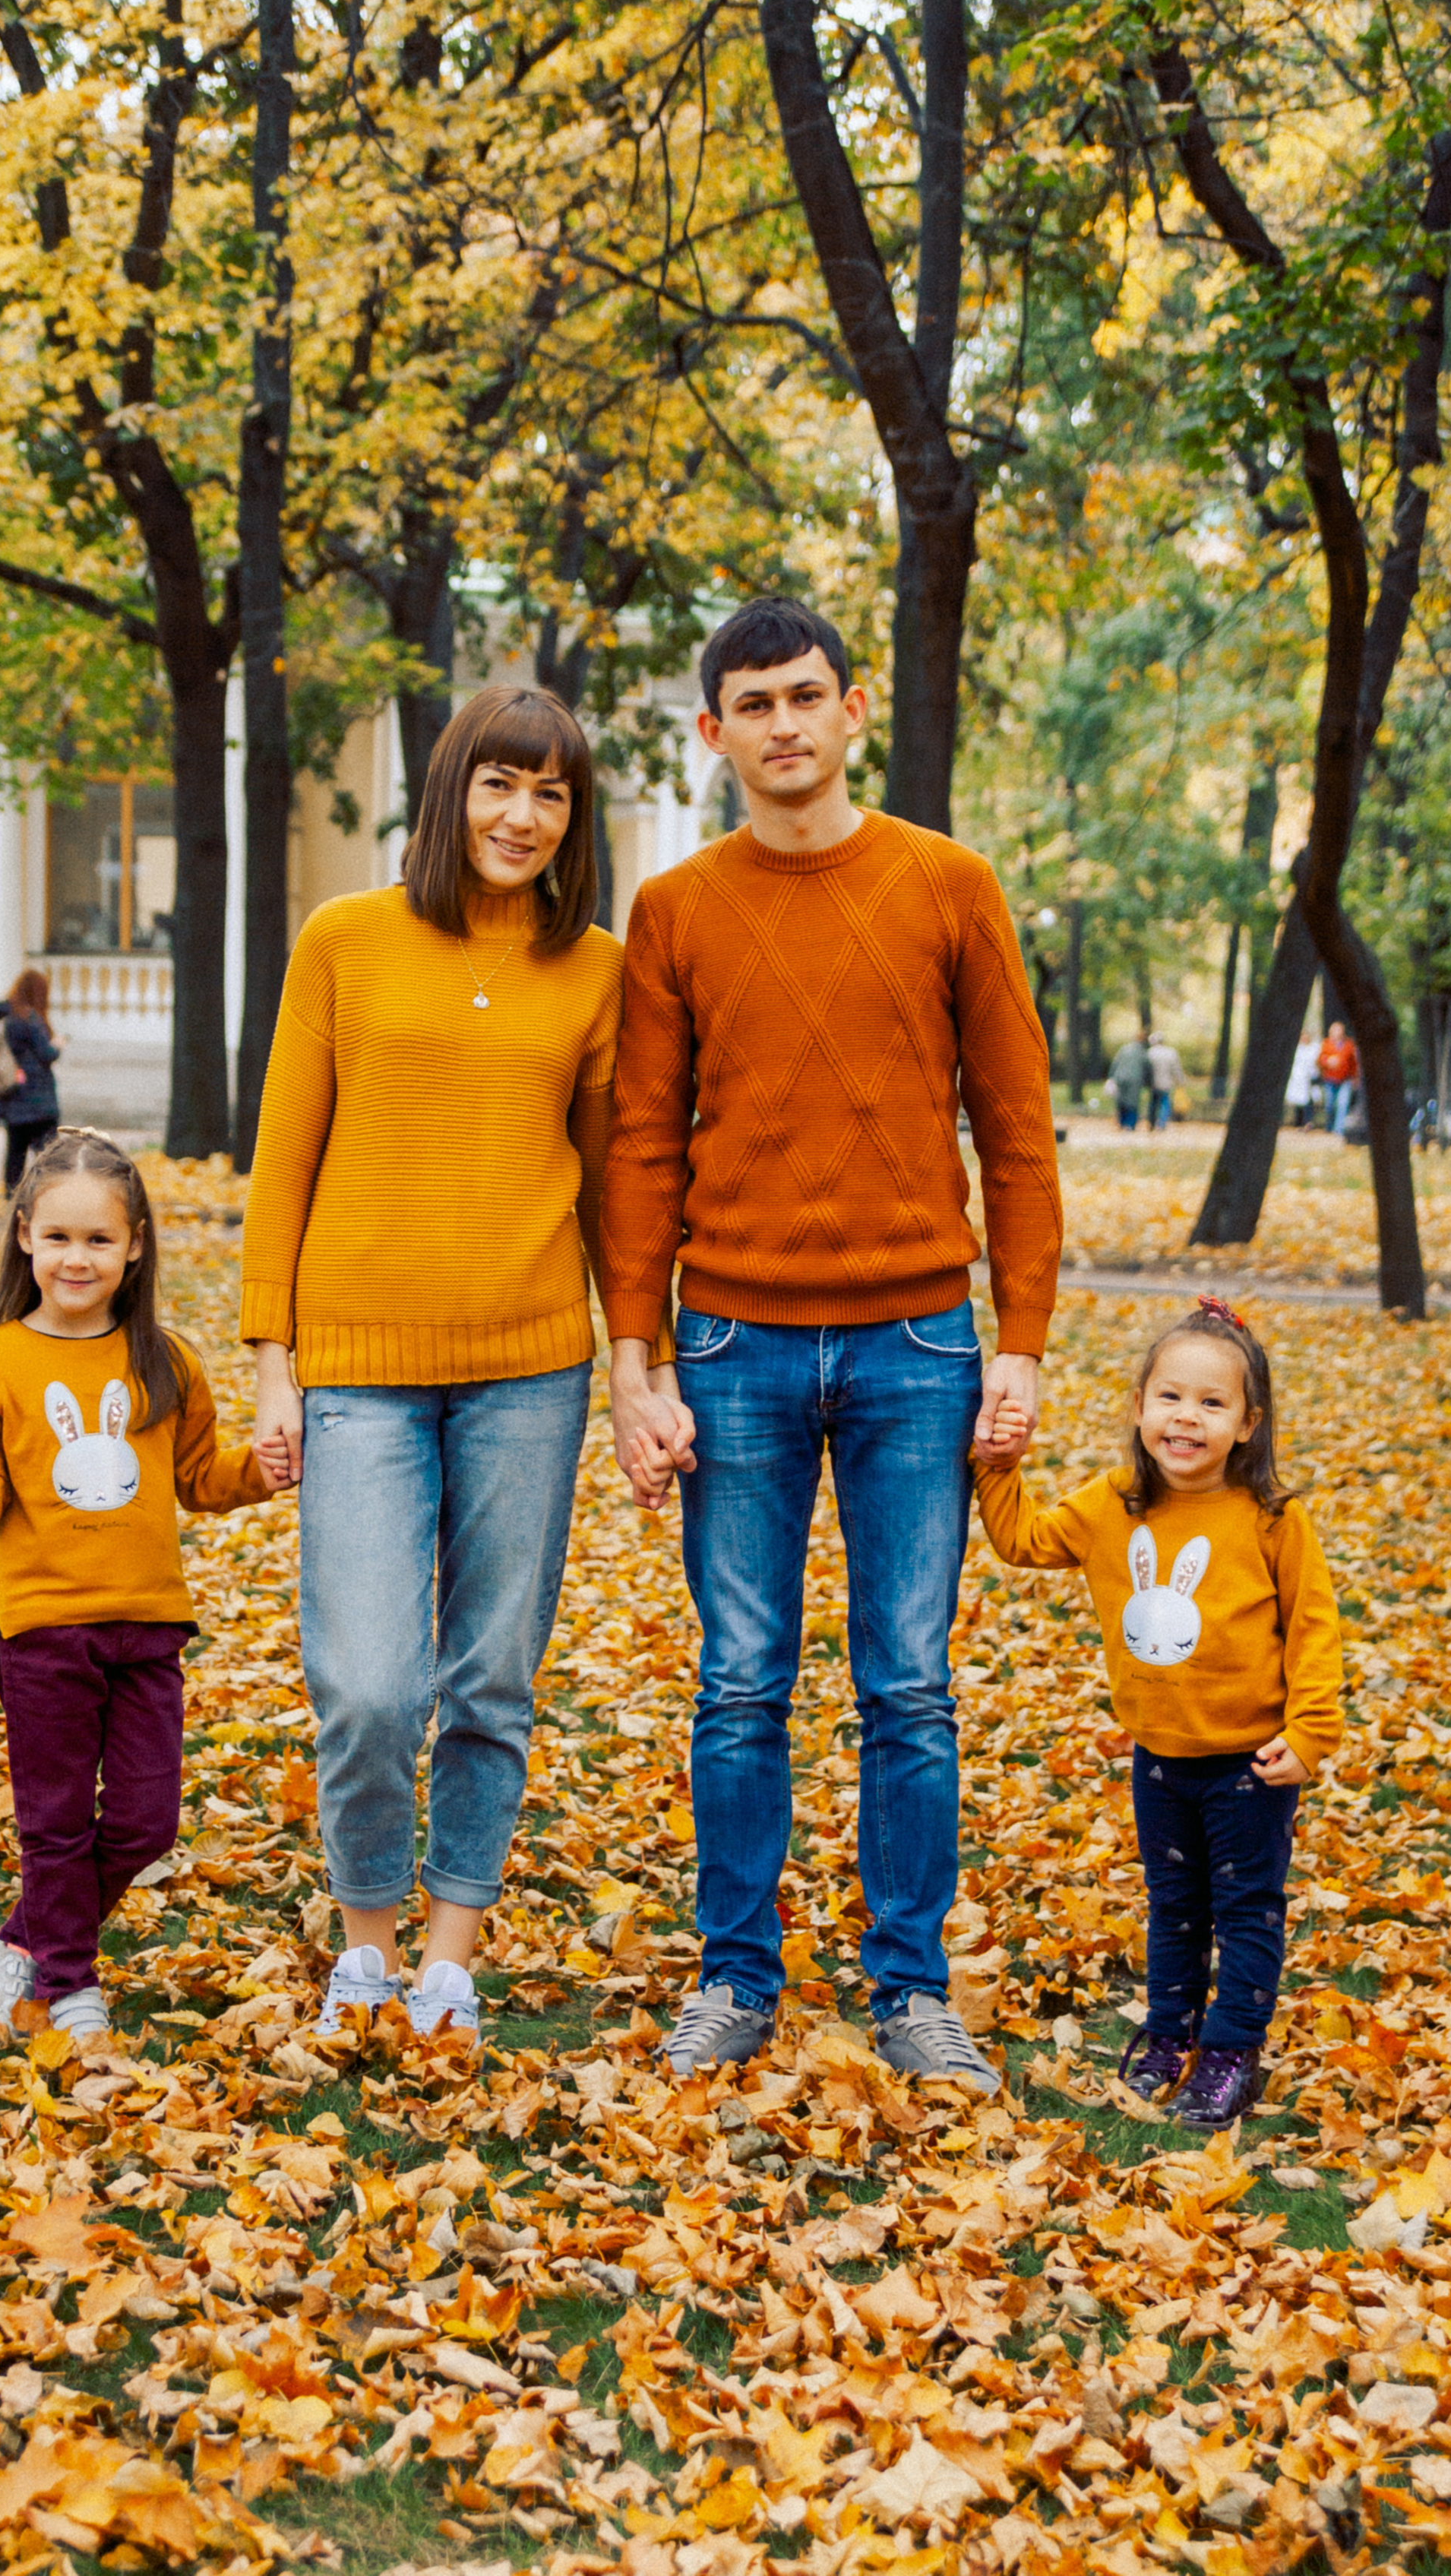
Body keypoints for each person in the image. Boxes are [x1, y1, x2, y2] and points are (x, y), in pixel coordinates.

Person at [602, 597, 1061, 2088]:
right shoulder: (673, 913)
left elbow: (1016, 1130)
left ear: (851, 708)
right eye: (754, 703)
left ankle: (909, 1988)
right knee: (738, 1681)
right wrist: (636, 1359)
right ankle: (734, 1978)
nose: (784, 725)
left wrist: (1022, 1341)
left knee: (905, 1685)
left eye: (807, 696)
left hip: (917, 1346)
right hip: (730, 1341)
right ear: (712, 731)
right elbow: (639, 1150)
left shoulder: (948, 887)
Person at [242, 686, 638, 2047]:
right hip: (357, 1365)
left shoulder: (595, 969)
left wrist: (636, 1357)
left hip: (531, 1367)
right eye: (498, 784)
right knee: (365, 1683)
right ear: (450, 788)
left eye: (551, 795)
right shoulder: (344, 939)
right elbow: (284, 1154)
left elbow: (611, 1188)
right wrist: (269, 1357)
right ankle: (366, 1940)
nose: (522, 817)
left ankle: (453, 1956)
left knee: (490, 1677)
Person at [0, 1131, 273, 2045]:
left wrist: (260, 1472)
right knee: (58, 1825)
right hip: (41, 1632)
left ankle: (22, 1944)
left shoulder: (165, 1363)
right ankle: (69, 1984)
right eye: (60, 1237)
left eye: (99, 1240)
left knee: (146, 1822)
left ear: (136, 1245)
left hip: (148, 1626)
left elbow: (197, 1479)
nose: (78, 1258)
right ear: (25, 1235)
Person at [973, 1295, 1342, 2125]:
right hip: (1159, 1758)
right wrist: (996, 1466)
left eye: (1212, 1404)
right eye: (1170, 1397)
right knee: (1174, 1905)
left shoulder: (1273, 1520)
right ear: (1138, 1407)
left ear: (1248, 1424)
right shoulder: (1113, 1505)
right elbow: (1024, 1541)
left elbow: (1313, 1628)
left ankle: (1231, 2049)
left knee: (1246, 1910)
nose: (1187, 1419)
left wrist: (1311, 1732)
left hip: (1251, 1764)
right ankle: (1169, 2034)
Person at [0, 969, 60, 1192]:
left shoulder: (6, 1018)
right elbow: (46, 1054)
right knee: (47, 1152)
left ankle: (12, 1195)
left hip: (12, 1092)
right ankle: (47, 1194)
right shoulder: (31, 1019)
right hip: (38, 1097)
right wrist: (57, 1045)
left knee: (15, 1151)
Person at [1316, 1020, 1358, 1136]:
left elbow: (1353, 1063)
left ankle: (1338, 1130)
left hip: (1345, 1080)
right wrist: (1327, 1061)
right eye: (1334, 1030)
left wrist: (1355, 1078)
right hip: (1330, 1079)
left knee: (1342, 1104)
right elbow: (1319, 1060)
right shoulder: (1326, 1044)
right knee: (1330, 1105)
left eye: (1338, 1030)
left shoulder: (1348, 1044)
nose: (1336, 1032)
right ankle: (1329, 1127)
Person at [1108, 1032, 1149, 1131]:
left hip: (1120, 1077)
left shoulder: (1124, 1049)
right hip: (1134, 1079)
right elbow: (1147, 1066)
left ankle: (1121, 1122)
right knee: (1132, 1102)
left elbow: (1115, 1063)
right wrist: (1147, 1080)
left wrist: (1111, 1077)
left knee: (1121, 1100)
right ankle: (1130, 1124)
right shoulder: (1142, 1051)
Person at [1146, 1034, 1182, 1131]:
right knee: (1165, 1103)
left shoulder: (1150, 1053)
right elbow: (1176, 1069)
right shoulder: (1171, 1053)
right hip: (1166, 1082)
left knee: (1153, 1104)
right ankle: (1162, 1124)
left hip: (1153, 1083)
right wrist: (1180, 1080)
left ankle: (1152, 1123)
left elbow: (1146, 1069)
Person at [1285, 1030, 1320, 1129]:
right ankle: (1299, 1122)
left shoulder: (1314, 1048)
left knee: (1309, 1100)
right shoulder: (1297, 1049)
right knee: (1298, 1101)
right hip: (1298, 1078)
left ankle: (1308, 1122)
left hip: (1310, 1077)